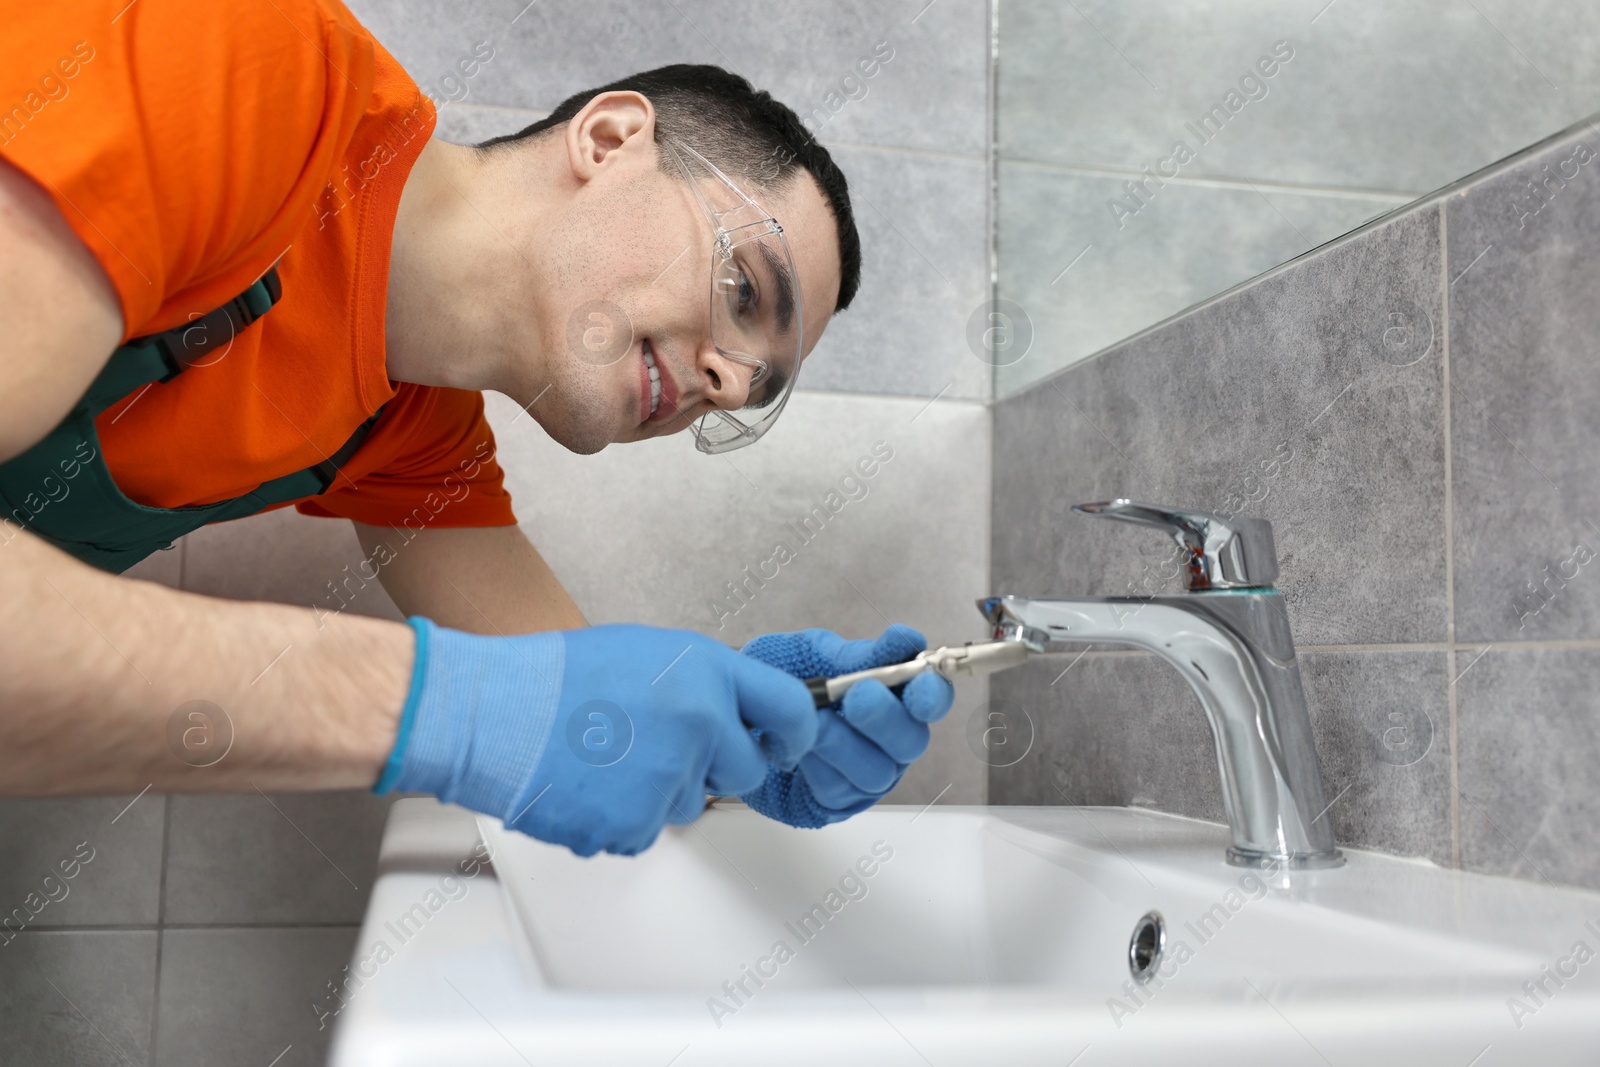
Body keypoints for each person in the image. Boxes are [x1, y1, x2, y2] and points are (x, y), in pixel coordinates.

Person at [0, 0, 953, 856]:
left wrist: (757, 741)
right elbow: (508, 709)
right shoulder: (242, 63)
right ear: (612, 139)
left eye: (759, 385)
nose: (731, 378)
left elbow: (588, 725)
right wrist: (443, 710)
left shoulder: (407, 432)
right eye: (746, 288)